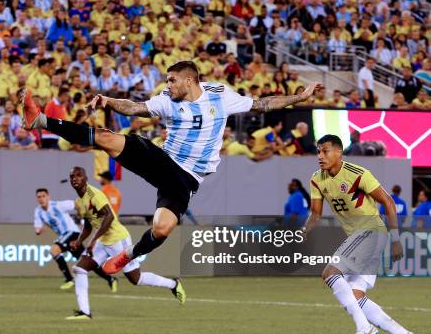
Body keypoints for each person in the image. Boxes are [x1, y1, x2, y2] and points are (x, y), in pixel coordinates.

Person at [19, 60, 322, 274]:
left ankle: (130, 255)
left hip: (187, 179)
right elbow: (136, 107)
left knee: (162, 230)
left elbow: (263, 104)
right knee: (106, 139)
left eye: (172, 80)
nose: (168, 85)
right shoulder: (167, 100)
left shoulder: (220, 95)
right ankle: (41, 120)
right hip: (164, 160)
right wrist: (108, 101)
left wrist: (300, 97)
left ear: (190, 80)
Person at [304, 135, 417, 334]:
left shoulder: (358, 174)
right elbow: (315, 213)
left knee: (330, 273)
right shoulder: (317, 179)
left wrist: (395, 239)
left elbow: (388, 202)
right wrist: (304, 230)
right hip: (360, 236)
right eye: (318, 151)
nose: (320, 156)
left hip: (371, 230)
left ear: (339, 152)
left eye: (325, 151)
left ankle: (364, 329)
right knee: (356, 295)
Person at [65, 166, 185, 320]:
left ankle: (173, 284)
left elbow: (108, 216)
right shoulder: (79, 201)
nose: (75, 178)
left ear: (86, 178)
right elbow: (89, 224)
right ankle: (85, 312)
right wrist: (80, 240)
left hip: (117, 239)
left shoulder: (93, 194)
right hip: (103, 240)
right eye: (72, 176)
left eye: (78, 175)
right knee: (80, 269)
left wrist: (93, 240)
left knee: (136, 279)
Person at [34, 188, 116, 291]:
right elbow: (38, 228)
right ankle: (111, 279)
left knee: (54, 250)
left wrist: (83, 221)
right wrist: (39, 230)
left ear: (48, 197)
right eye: (39, 197)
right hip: (65, 236)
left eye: (43, 196)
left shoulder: (58, 205)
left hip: (72, 232)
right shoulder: (38, 211)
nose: (41, 199)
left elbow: (77, 204)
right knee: (86, 262)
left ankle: (69, 279)